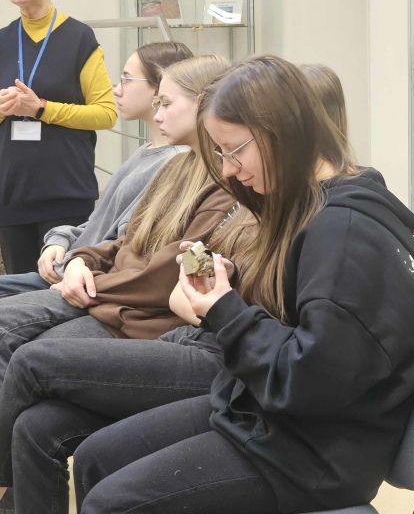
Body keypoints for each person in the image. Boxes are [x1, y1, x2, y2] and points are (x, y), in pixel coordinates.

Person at [69, 55, 414, 514]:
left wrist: (222, 308)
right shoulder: (320, 207)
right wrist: (227, 291)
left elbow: (309, 380)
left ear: (280, 132)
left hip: (311, 453)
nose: (228, 170)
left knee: (110, 503)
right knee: (96, 458)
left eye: (234, 150)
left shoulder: (343, 234)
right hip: (269, 415)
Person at [0, 61, 356, 514]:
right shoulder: (216, 179)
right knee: (38, 424)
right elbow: (162, 261)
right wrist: (82, 259)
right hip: (175, 329)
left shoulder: (316, 216)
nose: (230, 167)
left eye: (167, 102)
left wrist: (212, 298)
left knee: (29, 357)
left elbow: (193, 290)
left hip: (200, 349)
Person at [0, 54, 235, 513]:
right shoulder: (177, 167)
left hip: (129, 315)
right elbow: (122, 240)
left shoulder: (222, 183)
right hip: (103, 294)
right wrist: (80, 259)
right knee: (32, 407)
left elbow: (169, 274)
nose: (158, 113)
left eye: (166, 102)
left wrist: (90, 280)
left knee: (22, 350)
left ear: (203, 104)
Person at [0, 41, 193, 298]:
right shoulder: (145, 152)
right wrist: (59, 240)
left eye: (127, 80)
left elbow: (126, 247)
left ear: (159, 89)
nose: (117, 90)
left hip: (88, 282)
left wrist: (76, 262)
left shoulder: (174, 163)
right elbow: (97, 225)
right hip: (73, 267)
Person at [0, 0, 117, 274]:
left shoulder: (79, 38)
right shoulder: (2, 40)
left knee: (65, 290)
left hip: (66, 194)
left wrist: (41, 109)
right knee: (17, 295)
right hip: (12, 195)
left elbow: (106, 113)